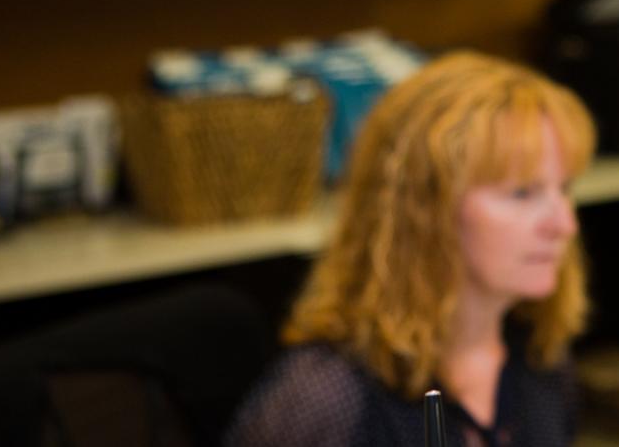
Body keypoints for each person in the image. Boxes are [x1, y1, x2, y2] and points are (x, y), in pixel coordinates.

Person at [225, 52, 596, 447]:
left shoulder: (542, 361)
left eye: (564, 189)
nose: (564, 225)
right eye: (522, 193)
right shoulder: (325, 394)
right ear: (425, 210)